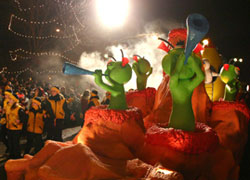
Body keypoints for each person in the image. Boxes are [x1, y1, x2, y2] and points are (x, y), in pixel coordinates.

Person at [5, 93, 26, 159]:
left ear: (14, 100)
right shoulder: (8, 106)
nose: (9, 100)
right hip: (9, 127)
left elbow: (24, 118)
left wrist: (20, 121)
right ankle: (11, 155)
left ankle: (17, 156)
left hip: (16, 128)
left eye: (11, 99)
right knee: (10, 143)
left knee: (15, 143)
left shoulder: (19, 108)